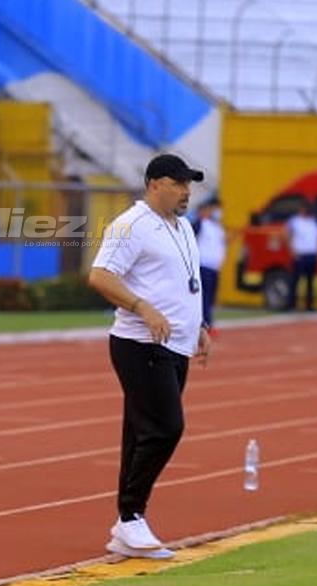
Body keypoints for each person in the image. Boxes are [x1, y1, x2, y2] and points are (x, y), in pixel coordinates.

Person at [88, 153, 212, 560]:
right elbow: (101, 275)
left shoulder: (183, 228)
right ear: (155, 183)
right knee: (165, 428)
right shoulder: (131, 225)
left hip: (176, 345)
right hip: (140, 344)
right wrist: (142, 307)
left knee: (140, 432)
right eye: (178, 183)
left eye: (189, 184)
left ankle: (127, 525)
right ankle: (130, 516)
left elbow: (183, 283)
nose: (186, 191)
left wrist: (199, 326)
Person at [193, 196, 226, 333]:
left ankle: (207, 323)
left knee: (211, 298)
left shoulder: (216, 227)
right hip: (203, 266)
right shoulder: (200, 224)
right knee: (204, 297)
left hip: (214, 267)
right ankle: (206, 325)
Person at [285, 201, 317, 311]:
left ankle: (309, 305)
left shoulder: (315, 222)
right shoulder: (294, 221)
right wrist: (292, 250)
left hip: (312, 253)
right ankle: (291, 304)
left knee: (310, 281)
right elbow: (288, 236)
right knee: (295, 280)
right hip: (300, 254)